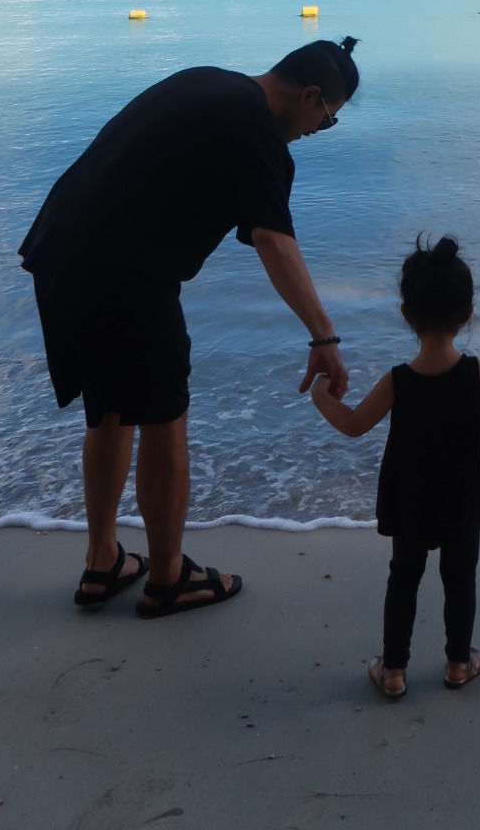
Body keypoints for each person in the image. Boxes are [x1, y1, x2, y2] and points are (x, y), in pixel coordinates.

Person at [19, 37, 358, 617]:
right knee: (162, 417)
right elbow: (274, 240)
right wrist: (324, 337)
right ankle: (169, 579)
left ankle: (103, 562)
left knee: (110, 409)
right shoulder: (257, 132)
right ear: (310, 96)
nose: (313, 132)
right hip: (127, 271)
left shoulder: (209, 81)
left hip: (62, 249)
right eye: (325, 121)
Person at [311, 234, 480, 697]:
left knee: (404, 577)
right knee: (460, 579)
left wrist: (320, 396)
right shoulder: (479, 374)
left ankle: (393, 670)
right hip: (462, 498)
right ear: (468, 313)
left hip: (411, 498)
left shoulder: (398, 380)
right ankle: (459, 663)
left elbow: (354, 424)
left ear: (406, 315)